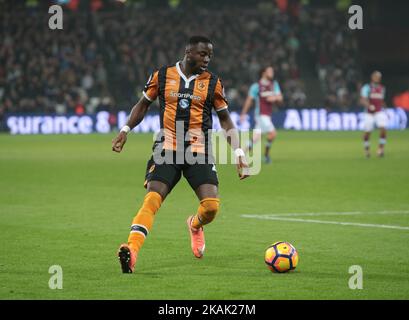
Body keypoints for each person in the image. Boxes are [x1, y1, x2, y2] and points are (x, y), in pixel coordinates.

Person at [111, 36, 249, 273]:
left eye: (210, 56)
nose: (207, 59)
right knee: (152, 199)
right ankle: (131, 251)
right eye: (202, 54)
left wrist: (238, 151)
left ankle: (195, 225)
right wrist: (125, 130)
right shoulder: (162, 75)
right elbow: (142, 104)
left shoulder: (213, 83)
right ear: (188, 52)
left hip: (199, 150)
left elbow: (225, 120)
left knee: (211, 207)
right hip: (167, 148)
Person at [240, 66, 283, 163]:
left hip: (267, 115)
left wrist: (275, 98)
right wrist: (243, 113)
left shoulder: (274, 84)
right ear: (264, 73)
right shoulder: (256, 86)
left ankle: (241, 155)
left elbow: (280, 98)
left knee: (256, 138)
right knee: (273, 133)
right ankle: (266, 156)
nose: (272, 73)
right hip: (260, 114)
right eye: (270, 71)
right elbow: (249, 100)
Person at [360, 71, 388, 158]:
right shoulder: (367, 87)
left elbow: (381, 100)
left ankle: (380, 149)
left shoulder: (382, 88)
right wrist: (369, 106)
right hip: (369, 113)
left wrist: (385, 108)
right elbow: (363, 100)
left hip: (379, 112)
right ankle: (367, 150)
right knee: (367, 132)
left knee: (383, 129)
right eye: (375, 76)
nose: (377, 78)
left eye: (378, 77)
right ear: (372, 77)